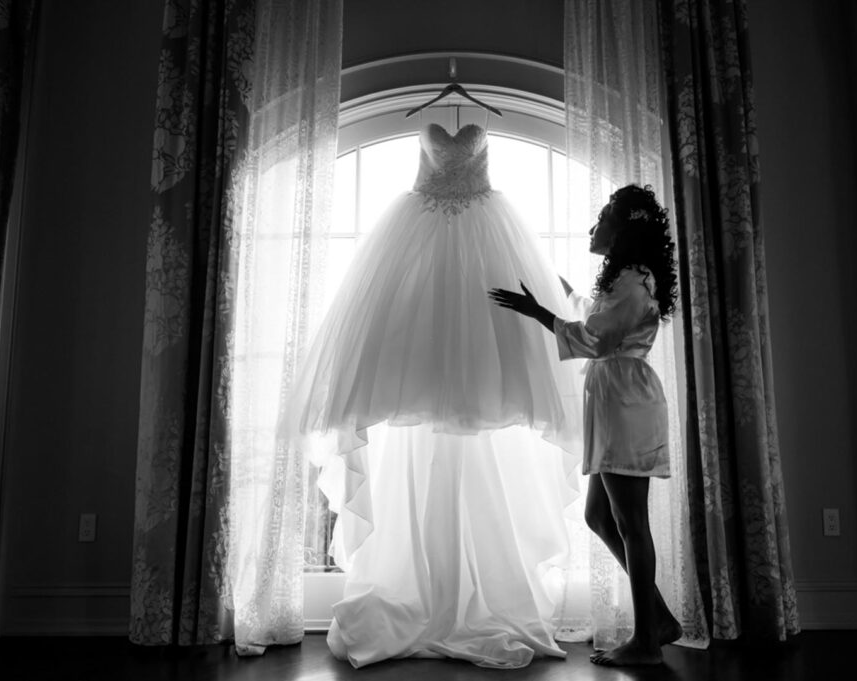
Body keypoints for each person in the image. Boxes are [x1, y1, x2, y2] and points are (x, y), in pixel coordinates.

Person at [281, 117, 585, 669]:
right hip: (422, 252)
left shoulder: (493, 200)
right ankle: (419, 590)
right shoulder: (418, 189)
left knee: (475, 397)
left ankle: (475, 594)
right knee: (421, 403)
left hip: (483, 253)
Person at [489, 184, 683, 666]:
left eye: (604, 217)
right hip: (614, 401)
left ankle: (646, 643)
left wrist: (537, 312)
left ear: (625, 228)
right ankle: (659, 620)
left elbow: (596, 339)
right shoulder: (626, 280)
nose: (595, 226)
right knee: (600, 516)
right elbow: (589, 313)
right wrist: (545, 278)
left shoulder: (635, 282)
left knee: (631, 523)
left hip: (626, 404)